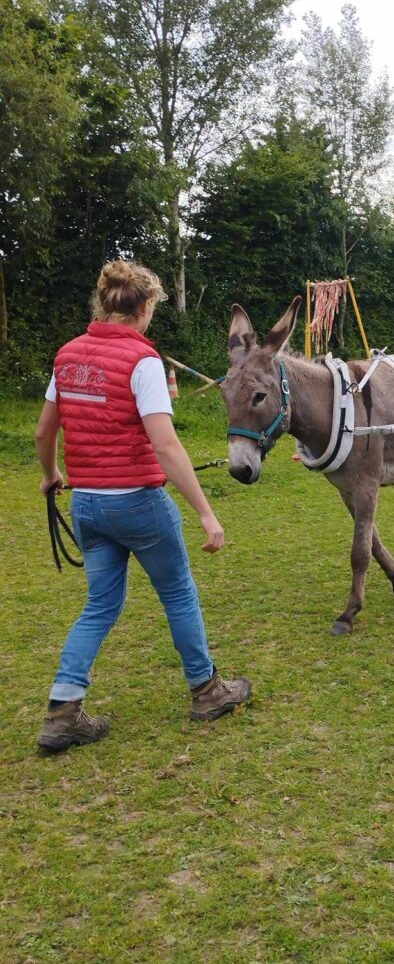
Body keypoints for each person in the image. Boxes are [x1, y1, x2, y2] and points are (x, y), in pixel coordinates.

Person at [35, 260, 251, 753]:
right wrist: (205, 511)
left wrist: (51, 475)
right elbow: (166, 445)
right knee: (178, 593)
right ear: (146, 306)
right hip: (137, 503)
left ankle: (62, 712)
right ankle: (206, 690)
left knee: (99, 606)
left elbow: (45, 430)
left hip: (88, 503)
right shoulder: (143, 361)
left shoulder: (68, 356)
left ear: (104, 301)